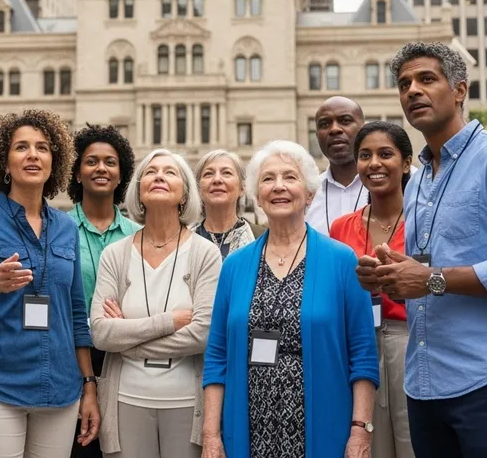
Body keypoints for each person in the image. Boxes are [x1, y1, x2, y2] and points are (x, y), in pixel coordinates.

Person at [203, 140, 379, 458]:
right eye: (268, 179)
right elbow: (217, 358)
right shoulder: (234, 266)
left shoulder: (342, 260)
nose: (279, 186)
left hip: (325, 425)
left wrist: (360, 430)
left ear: (309, 193)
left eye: (290, 177)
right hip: (248, 428)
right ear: (257, 196)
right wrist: (212, 436)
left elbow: (363, 356)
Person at [356, 42, 487, 457]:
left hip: (479, 380)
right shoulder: (418, 183)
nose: (412, 90)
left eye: (426, 79)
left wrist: (429, 279)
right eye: (404, 83)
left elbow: (431, 277)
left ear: (460, 89)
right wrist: (390, 276)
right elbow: (422, 274)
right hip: (423, 382)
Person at [0, 110, 100, 458]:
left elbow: (77, 313)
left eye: (42, 148)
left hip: (61, 390)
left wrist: (89, 386)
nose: (33, 155)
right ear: (4, 162)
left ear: (54, 162)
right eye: (21, 147)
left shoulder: (66, 227)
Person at [90, 148, 221, 458]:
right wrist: (170, 322)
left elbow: (203, 334)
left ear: (185, 195)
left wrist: (127, 340)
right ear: (138, 191)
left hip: (187, 403)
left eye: (170, 172)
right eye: (150, 171)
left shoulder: (206, 253)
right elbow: (101, 333)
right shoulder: (115, 254)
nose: (159, 175)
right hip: (124, 401)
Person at [331, 121, 414, 458]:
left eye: (385, 154)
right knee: (367, 445)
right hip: (357, 345)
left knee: (413, 443)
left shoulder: (424, 220)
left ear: (406, 163)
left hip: (410, 341)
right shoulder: (341, 228)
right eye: (365, 155)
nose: (374, 164)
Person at [68, 125, 140, 457]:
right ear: (77, 172)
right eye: (91, 161)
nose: (101, 168)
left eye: (110, 162)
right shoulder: (57, 230)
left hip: (124, 359)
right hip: (70, 357)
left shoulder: (139, 235)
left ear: (121, 173)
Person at [305, 96, 367, 236]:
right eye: (324, 124)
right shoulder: (306, 195)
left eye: (345, 121)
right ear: (317, 135)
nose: (334, 129)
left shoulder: (400, 184)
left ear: (364, 129)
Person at [193, 149, 266, 259]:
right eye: (208, 174)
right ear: (199, 189)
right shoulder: (183, 242)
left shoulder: (264, 239)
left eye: (226, 173)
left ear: (242, 188)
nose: (217, 179)